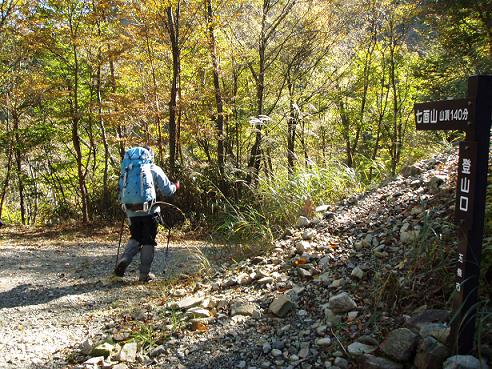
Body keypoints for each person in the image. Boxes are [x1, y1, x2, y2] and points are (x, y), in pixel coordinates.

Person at [114, 146, 180, 282]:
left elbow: (120, 189)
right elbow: (167, 190)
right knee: (148, 240)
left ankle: (125, 258)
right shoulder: (152, 168)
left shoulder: (128, 168)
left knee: (136, 236)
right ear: (149, 155)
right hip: (149, 210)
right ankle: (144, 275)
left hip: (131, 211)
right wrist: (176, 186)